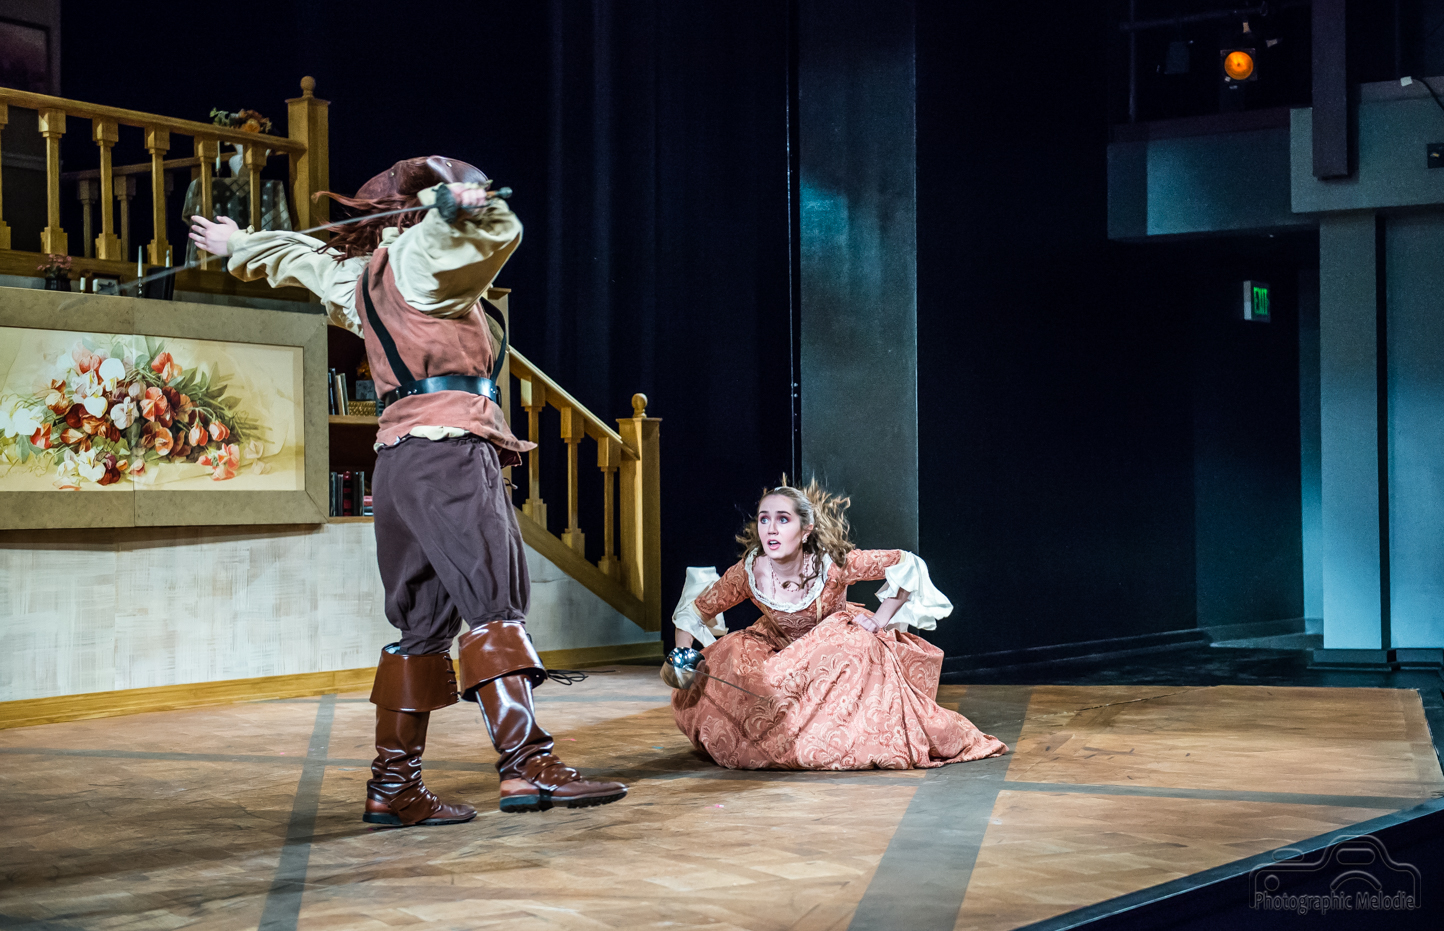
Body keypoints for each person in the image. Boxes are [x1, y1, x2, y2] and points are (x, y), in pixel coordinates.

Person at [188, 156, 626, 825]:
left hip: (397, 463)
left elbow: (300, 257)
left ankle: (393, 785)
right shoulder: (422, 260)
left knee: (421, 625)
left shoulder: (359, 276)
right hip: (449, 453)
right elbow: (501, 234)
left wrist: (239, 244)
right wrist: (469, 204)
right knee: (495, 603)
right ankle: (527, 765)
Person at [670, 479, 1007, 770]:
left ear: (805, 530)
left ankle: (827, 740)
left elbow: (907, 565)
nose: (771, 529)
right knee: (733, 652)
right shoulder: (749, 571)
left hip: (830, 653)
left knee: (855, 642)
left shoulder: (831, 566)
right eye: (764, 519)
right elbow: (695, 611)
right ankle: (773, 739)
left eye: (783, 519)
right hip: (779, 649)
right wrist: (682, 657)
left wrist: (879, 620)